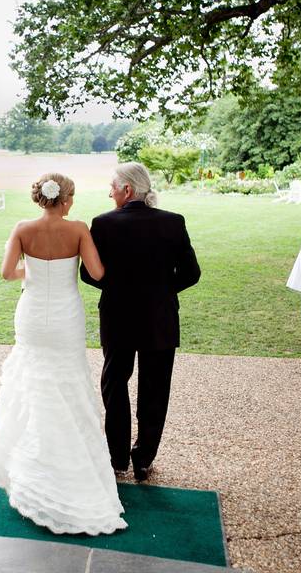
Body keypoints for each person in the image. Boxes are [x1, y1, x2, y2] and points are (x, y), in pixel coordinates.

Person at [0, 172, 126, 535]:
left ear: (40, 198)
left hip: (31, 314)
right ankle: (69, 468)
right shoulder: (78, 229)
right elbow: (97, 272)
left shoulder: (22, 228)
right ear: (65, 200)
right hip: (65, 316)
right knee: (68, 383)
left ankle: (31, 466)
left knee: (32, 383)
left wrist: (30, 273)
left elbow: (5, 273)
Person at [79, 162, 200, 482]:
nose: (109, 192)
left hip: (118, 317)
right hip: (160, 318)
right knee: (155, 388)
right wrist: (160, 291)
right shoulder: (173, 222)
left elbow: (87, 274)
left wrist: (119, 288)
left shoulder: (102, 224)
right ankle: (143, 458)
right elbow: (192, 274)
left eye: (112, 187)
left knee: (114, 383)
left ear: (127, 190)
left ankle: (117, 458)